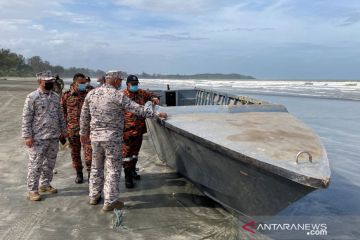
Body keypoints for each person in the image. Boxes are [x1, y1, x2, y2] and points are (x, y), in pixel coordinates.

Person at [79, 70, 167, 211]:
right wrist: (156, 114)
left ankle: (94, 196)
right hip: (112, 139)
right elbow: (137, 109)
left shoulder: (91, 94)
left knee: (96, 167)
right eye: (120, 80)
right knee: (113, 169)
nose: (121, 83)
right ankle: (110, 201)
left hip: (95, 139)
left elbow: (84, 116)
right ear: (114, 80)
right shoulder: (117, 95)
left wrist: (83, 133)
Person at [22, 70, 67, 201]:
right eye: (47, 81)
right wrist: (27, 136)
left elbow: (60, 115)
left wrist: (63, 131)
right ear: (40, 81)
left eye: (51, 81)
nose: (50, 83)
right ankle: (32, 190)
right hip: (38, 137)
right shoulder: (32, 97)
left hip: (53, 136)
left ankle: (45, 185)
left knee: (50, 164)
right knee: (35, 165)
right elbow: (26, 117)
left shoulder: (55, 96)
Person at [122, 75, 160, 188]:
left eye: (136, 84)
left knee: (135, 153)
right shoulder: (122, 95)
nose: (135, 86)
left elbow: (151, 94)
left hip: (139, 130)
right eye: (133, 84)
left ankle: (133, 171)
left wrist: (154, 98)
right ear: (127, 84)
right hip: (127, 131)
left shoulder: (141, 93)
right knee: (127, 155)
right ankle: (127, 177)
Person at [61, 73, 93, 183]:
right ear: (75, 82)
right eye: (81, 83)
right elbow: (62, 113)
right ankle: (79, 173)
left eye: (85, 83)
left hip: (88, 130)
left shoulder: (90, 93)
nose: (84, 85)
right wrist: (63, 130)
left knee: (89, 154)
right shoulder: (66, 95)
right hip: (72, 130)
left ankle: (90, 174)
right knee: (75, 153)